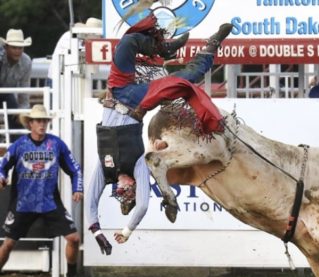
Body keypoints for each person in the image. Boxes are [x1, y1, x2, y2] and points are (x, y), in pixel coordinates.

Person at [86, 13, 233, 256]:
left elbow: (91, 204)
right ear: (133, 187)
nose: (125, 189)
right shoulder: (138, 167)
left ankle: (162, 48)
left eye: (121, 193)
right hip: (138, 102)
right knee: (184, 80)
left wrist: (96, 233)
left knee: (127, 42)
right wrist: (127, 231)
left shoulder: (106, 169)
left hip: (117, 90)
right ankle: (211, 46)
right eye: (128, 193)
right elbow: (143, 206)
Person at [0, 104, 85, 277]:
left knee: (74, 238)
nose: (42, 124)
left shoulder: (56, 145)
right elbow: (2, 166)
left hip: (49, 202)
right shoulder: (19, 145)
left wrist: (77, 188)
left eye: (45, 120)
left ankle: (71, 275)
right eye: (38, 120)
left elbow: (75, 169)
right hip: (23, 202)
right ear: (30, 123)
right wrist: (1, 177)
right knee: (8, 244)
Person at [0, 29, 32, 136]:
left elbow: (24, 91)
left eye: (20, 48)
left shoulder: (26, 62)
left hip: (7, 95)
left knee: (16, 118)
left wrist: (22, 112)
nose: (17, 51)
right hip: (6, 93)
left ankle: (17, 148)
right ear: (6, 47)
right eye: (14, 47)